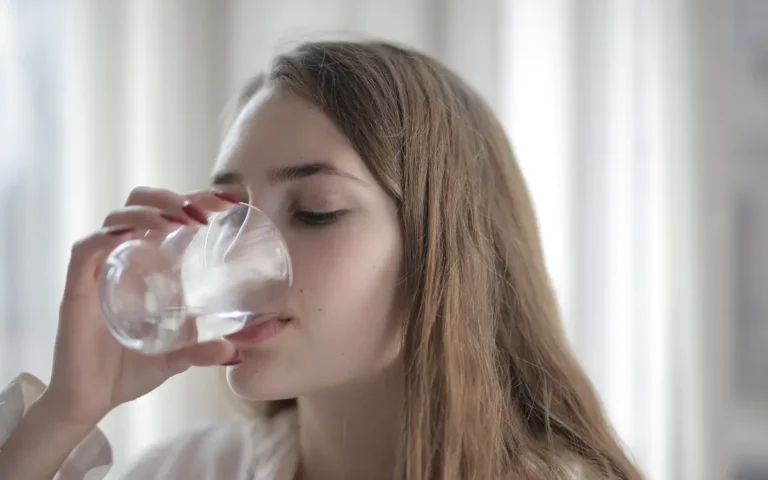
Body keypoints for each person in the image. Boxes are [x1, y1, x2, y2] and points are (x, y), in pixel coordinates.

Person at [0, 40, 643, 480]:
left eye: (315, 211)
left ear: (444, 251)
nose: (238, 254)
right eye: (230, 213)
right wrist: (66, 413)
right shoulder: (189, 470)